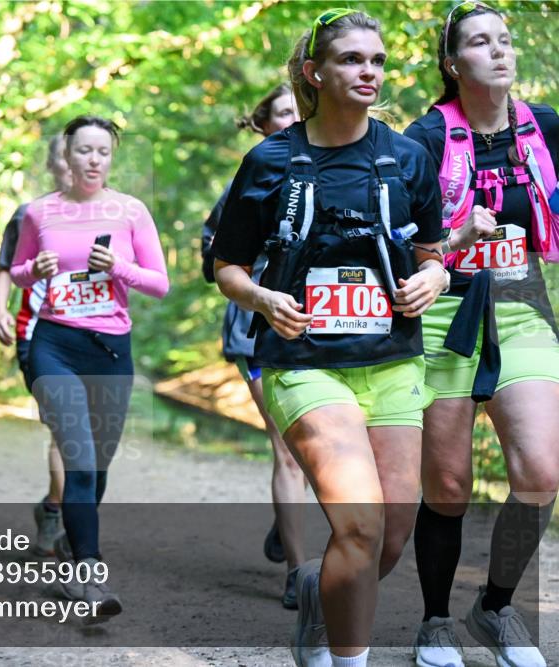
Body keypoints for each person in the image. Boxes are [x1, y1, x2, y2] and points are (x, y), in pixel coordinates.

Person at [212, 9, 448, 666]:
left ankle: (319, 586)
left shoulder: (407, 158)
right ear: (315, 72)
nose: (367, 71)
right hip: (304, 364)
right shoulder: (271, 160)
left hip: (394, 362)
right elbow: (225, 265)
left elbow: (433, 252)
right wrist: (261, 295)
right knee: (360, 522)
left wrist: (433, 276)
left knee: (391, 538)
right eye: (350, 59)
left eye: (375, 60)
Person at [404, 3, 559, 666]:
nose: (498, 51)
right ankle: (435, 622)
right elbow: (397, 236)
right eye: (478, 42)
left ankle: (493, 606)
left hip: (523, 306)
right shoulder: (426, 137)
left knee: (541, 470)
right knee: (447, 485)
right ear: (451, 62)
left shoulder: (546, 129)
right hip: (444, 314)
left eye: (504, 39)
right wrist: (453, 243)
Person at [10, 115, 169, 622]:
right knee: (78, 460)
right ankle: (91, 578)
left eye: (103, 151)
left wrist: (116, 268)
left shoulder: (130, 212)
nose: (93, 160)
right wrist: (33, 271)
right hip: (54, 345)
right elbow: (16, 270)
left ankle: (75, 559)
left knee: (96, 470)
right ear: (67, 155)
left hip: (111, 351)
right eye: (84, 150)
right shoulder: (40, 213)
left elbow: (158, 283)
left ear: (111, 157)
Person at [201, 83, 307, 610]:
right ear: (263, 124)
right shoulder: (254, 179)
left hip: (330, 328)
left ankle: (285, 526)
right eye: (281, 113)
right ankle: (297, 570)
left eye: (298, 111)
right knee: (288, 449)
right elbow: (212, 255)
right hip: (257, 329)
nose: (291, 119)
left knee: (319, 450)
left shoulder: (338, 170)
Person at [0, 136, 73, 557]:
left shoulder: (110, 214)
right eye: (63, 156)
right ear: (52, 164)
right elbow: (5, 267)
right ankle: (64, 521)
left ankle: (53, 507)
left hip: (93, 336)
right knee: (65, 426)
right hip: (38, 334)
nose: (72, 163)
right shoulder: (29, 214)